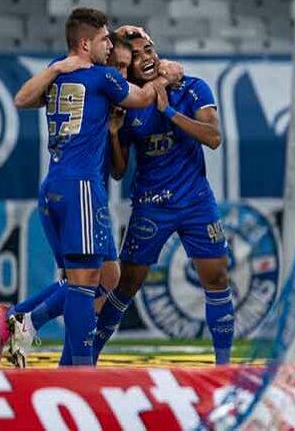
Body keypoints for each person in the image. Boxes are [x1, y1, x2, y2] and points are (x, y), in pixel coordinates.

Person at [0, 8, 172, 367]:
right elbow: (141, 98)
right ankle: (77, 371)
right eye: (105, 40)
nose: (109, 46)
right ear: (87, 42)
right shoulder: (100, 77)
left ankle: (23, 320)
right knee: (83, 283)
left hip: (60, 184)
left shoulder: (60, 72)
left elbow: (22, 99)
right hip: (80, 188)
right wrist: (165, 77)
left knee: (107, 277)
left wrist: (57, 68)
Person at [94, 28, 235, 366]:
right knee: (127, 284)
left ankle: (224, 366)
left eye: (150, 50)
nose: (147, 58)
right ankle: (89, 356)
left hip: (196, 201)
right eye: (137, 55)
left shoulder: (192, 87)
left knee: (217, 277)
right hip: (151, 205)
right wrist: (114, 135)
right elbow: (117, 171)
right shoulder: (129, 101)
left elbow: (213, 137)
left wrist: (169, 112)